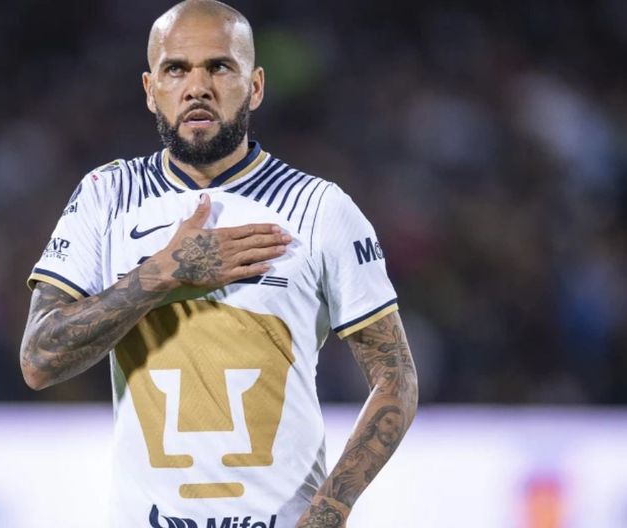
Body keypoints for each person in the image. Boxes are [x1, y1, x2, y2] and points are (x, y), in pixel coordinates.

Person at [20, 1, 418, 526]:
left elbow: (396, 379)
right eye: (176, 69)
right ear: (150, 90)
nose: (197, 87)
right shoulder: (105, 196)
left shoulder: (320, 208)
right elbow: (39, 359)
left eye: (219, 67)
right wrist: (162, 273)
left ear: (255, 86)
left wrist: (330, 509)